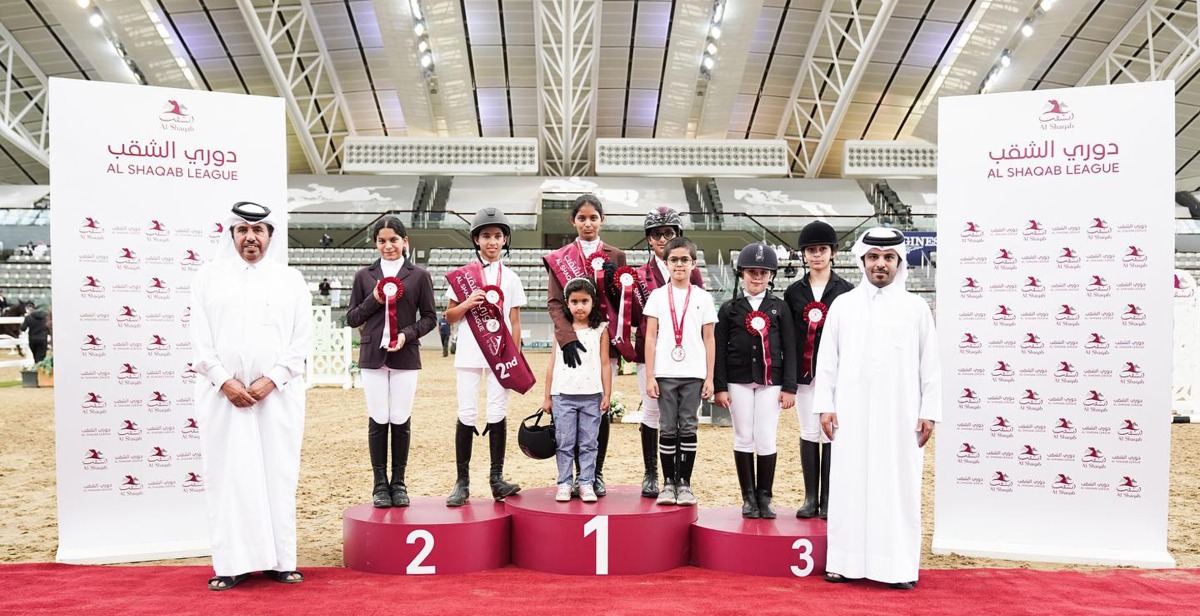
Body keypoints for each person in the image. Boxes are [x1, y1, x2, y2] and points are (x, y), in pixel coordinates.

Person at [190, 201, 313, 591]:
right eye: (242, 230)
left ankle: (281, 561)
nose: (250, 237)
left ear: (270, 236)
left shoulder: (290, 280)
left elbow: (301, 340)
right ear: (231, 235)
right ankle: (231, 565)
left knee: (277, 475)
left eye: (258, 230)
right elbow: (200, 341)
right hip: (222, 398)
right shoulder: (208, 278)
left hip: (277, 396)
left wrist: (272, 379)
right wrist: (224, 381)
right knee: (229, 478)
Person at [815, 227, 941, 590]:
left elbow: (930, 365)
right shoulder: (844, 305)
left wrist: (929, 412)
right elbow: (828, 360)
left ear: (899, 262)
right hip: (850, 414)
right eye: (873, 257)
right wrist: (825, 405)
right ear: (862, 261)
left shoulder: (916, 308)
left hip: (901, 417)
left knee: (898, 486)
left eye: (888, 258)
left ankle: (898, 567)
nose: (880, 264)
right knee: (848, 483)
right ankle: (844, 562)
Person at [346, 216, 437, 509]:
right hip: (372, 356)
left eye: (394, 240)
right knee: (378, 418)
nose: (388, 246)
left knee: (400, 418)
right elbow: (352, 318)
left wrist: (407, 335)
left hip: (405, 355)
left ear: (404, 241)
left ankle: (399, 483)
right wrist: (373, 299)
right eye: (382, 241)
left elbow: (430, 318)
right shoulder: (364, 276)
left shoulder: (419, 276)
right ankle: (379, 485)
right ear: (376, 243)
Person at [442, 208, 531, 506]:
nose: (492, 241)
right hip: (469, 350)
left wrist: (513, 357)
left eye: (497, 236)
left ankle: (497, 478)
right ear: (476, 240)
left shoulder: (512, 277)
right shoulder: (463, 276)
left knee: (497, 411)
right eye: (486, 236)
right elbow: (449, 316)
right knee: (467, 412)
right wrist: (468, 302)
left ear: (505, 240)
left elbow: (514, 321)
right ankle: (462, 482)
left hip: (500, 355)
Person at [542, 194, 627, 497]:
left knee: (598, 409)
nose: (588, 224)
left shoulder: (616, 255)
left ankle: (594, 474)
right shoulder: (560, 257)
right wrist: (567, 337)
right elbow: (555, 303)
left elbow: (622, 301)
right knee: (569, 422)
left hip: (603, 339)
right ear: (573, 221)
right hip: (571, 341)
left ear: (602, 220)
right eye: (582, 218)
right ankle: (569, 478)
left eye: (593, 218)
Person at [714, 242, 797, 519]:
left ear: (770, 275)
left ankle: (765, 497)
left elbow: (790, 347)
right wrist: (720, 386)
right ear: (742, 274)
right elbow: (719, 348)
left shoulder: (780, 308)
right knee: (743, 435)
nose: (757, 277)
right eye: (752, 272)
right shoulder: (729, 309)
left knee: (766, 436)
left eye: (763, 272)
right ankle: (748, 497)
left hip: (771, 381)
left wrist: (789, 386)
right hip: (737, 379)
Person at [631, 207, 705, 498]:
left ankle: (680, 478)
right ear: (649, 239)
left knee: (683, 420)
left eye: (668, 233)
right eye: (656, 234)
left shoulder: (692, 273)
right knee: (653, 412)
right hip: (652, 355)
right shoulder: (638, 276)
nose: (662, 239)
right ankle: (652, 472)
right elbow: (634, 315)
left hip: (685, 359)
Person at [784, 221, 854, 519]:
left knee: (831, 432)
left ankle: (829, 498)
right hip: (804, 374)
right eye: (811, 250)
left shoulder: (847, 292)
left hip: (836, 374)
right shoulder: (793, 293)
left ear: (833, 253)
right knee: (809, 431)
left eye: (822, 249)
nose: (816, 255)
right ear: (804, 254)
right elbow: (788, 338)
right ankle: (810, 497)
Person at [642, 237, 717, 506]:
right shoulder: (657, 296)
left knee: (688, 426)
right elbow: (650, 337)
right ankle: (667, 483)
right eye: (674, 259)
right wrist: (650, 375)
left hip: (694, 373)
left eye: (685, 259)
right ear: (666, 263)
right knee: (667, 427)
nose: (679, 264)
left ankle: (684, 482)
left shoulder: (703, 297)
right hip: (665, 372)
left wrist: (710, 377)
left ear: (694, 263)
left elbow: (709, 338)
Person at [542, 277, 610, 503]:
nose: (579, 306)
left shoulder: (600, 329)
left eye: (584, 301)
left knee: (589, 443)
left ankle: (586, 482)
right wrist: (547, 396)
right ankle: (564, 482)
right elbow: (552, 364)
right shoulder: (562, 330)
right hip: (563, 395)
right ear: (567, 303)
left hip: (592, 396)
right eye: (574, 302)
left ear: (593, 302)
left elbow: (605, 363)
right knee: (565, 442)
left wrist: (607, 394)